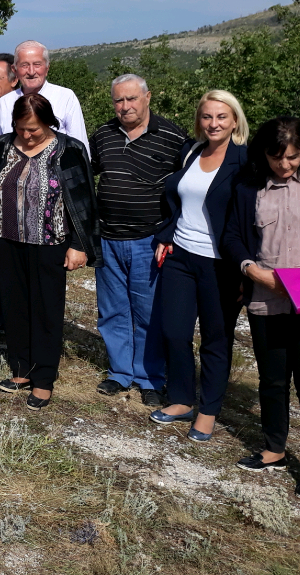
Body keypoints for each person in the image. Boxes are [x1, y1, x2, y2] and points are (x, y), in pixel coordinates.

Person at [0, 94, 100, 410]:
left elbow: (85, 200)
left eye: (35, 130)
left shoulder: (69, 150)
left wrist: (80, 245)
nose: (26, 136)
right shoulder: (1, 146)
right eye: (22, 129)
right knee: (14, 306)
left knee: (45, 311)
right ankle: (21, 368)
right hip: (5, 239)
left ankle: (43, 379)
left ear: (49, 123)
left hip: (50, 243)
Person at [222, 117, 300, 502]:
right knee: (273, 381)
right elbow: (233, 235)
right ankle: (274, 449)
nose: (284, 165)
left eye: (293, 157)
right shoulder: (250, 188)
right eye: (276, 157)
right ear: (263, 153)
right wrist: (250, 269)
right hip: (268, 297)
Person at [151, 90, 248, 441]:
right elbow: (175, 202)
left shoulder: (245, 161)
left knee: (215, 339)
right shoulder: (191, 151)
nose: (214, 123)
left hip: (221, 264)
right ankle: (180, 399)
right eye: (207, 117)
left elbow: (251, 217)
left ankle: (208, 411)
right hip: (181, 255)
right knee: (174, 331)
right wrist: (165, 235)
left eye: (221, 117)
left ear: (235, 120)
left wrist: (247, 269)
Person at [90, 75, 190, 406]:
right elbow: (87, 173)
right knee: (112, 309)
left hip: (150, 240)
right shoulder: (103, 134)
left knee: (149, 311)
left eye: (132, 99)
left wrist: (171, 232)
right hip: (108, 237)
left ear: (148, 97)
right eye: (119, 100)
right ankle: (120, 373)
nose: (125, 106)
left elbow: (188, 187)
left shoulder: (173, 136)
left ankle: (150, 377)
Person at [0, 41, 89, 153]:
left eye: (37, 64)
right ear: (14, 70)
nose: (31, 72)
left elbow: (79, 147)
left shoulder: (66, 97)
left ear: (47, 68)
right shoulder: (3, 104)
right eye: (25, 65)